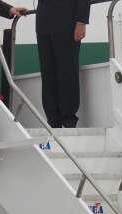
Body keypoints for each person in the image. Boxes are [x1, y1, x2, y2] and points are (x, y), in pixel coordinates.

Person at [36, 0, 91, 128]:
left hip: (68, 21)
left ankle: (69, 119)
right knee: (47, 74)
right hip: (43, 21)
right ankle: (53, 119)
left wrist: (81, 21)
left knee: (67, 72)